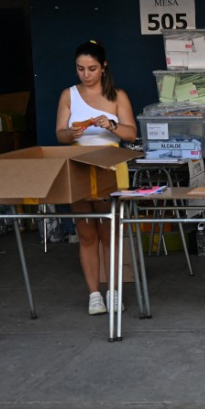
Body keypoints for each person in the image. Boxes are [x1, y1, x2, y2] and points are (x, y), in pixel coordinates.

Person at [54, 40, 137, 315]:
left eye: (91, 69)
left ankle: (114, 291)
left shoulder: (117, 95)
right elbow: (60, 134)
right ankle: (93, 294)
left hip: (110, 164)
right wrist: (72, 133)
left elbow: (131, 134)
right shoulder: (68, 94)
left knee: (110, 232)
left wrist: (111, 125)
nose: (86, 75)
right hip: (78, 164)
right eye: (80, 69)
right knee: (86, 232)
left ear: (103, 67)